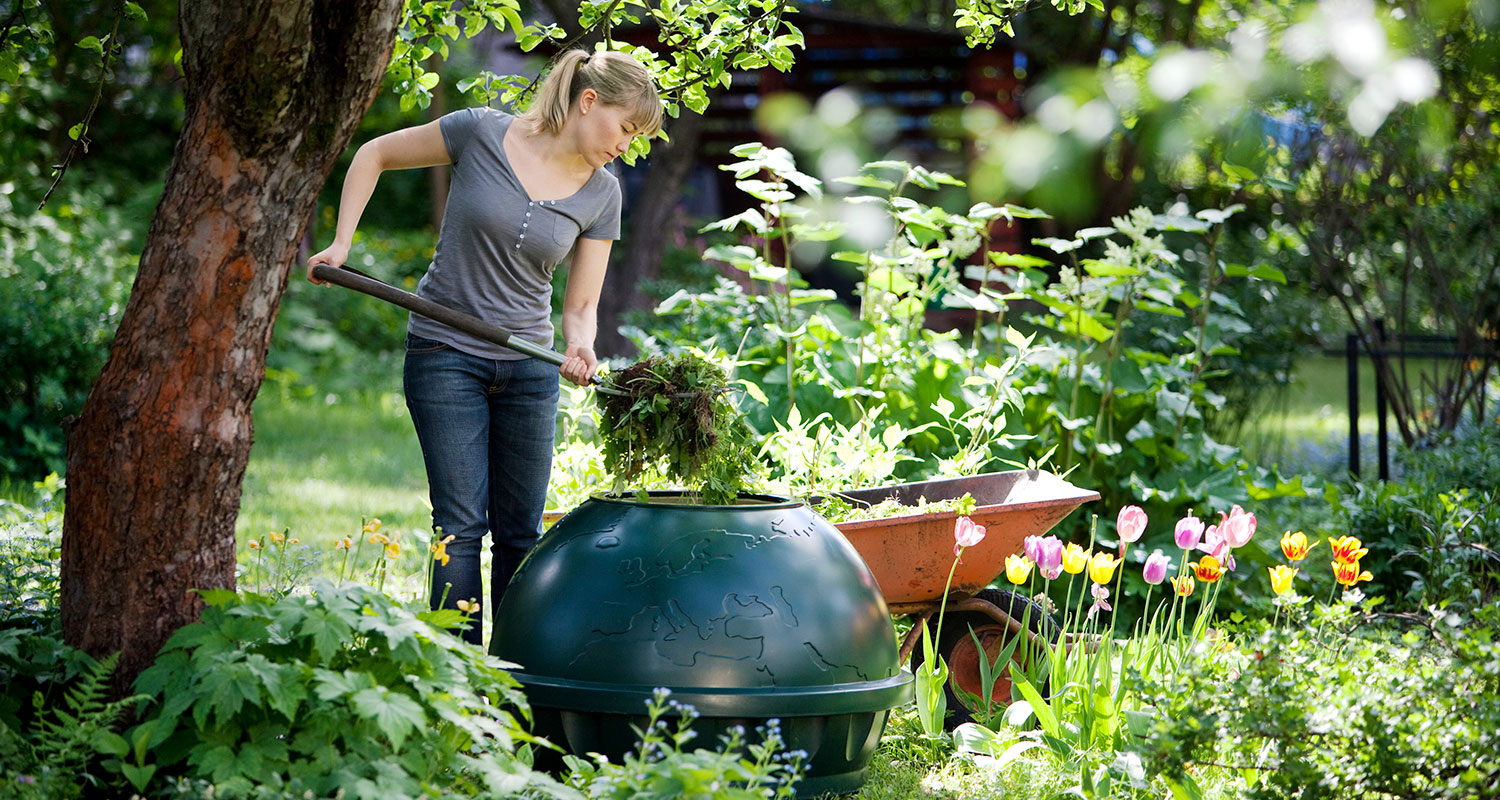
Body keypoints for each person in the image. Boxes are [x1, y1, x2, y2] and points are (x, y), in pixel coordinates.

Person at [306, 49, 662, 648]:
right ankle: (460, 681)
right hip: (444, 355)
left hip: (529, 369)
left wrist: (580, 346)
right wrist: (342, 243)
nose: (626, 144)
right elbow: (375, 154)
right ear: (588, 101)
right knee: (461, 525)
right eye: (626, 127)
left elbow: (579, 308)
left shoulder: (604, 193)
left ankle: (515, 681)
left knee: (521, 532)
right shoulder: (480, 131)